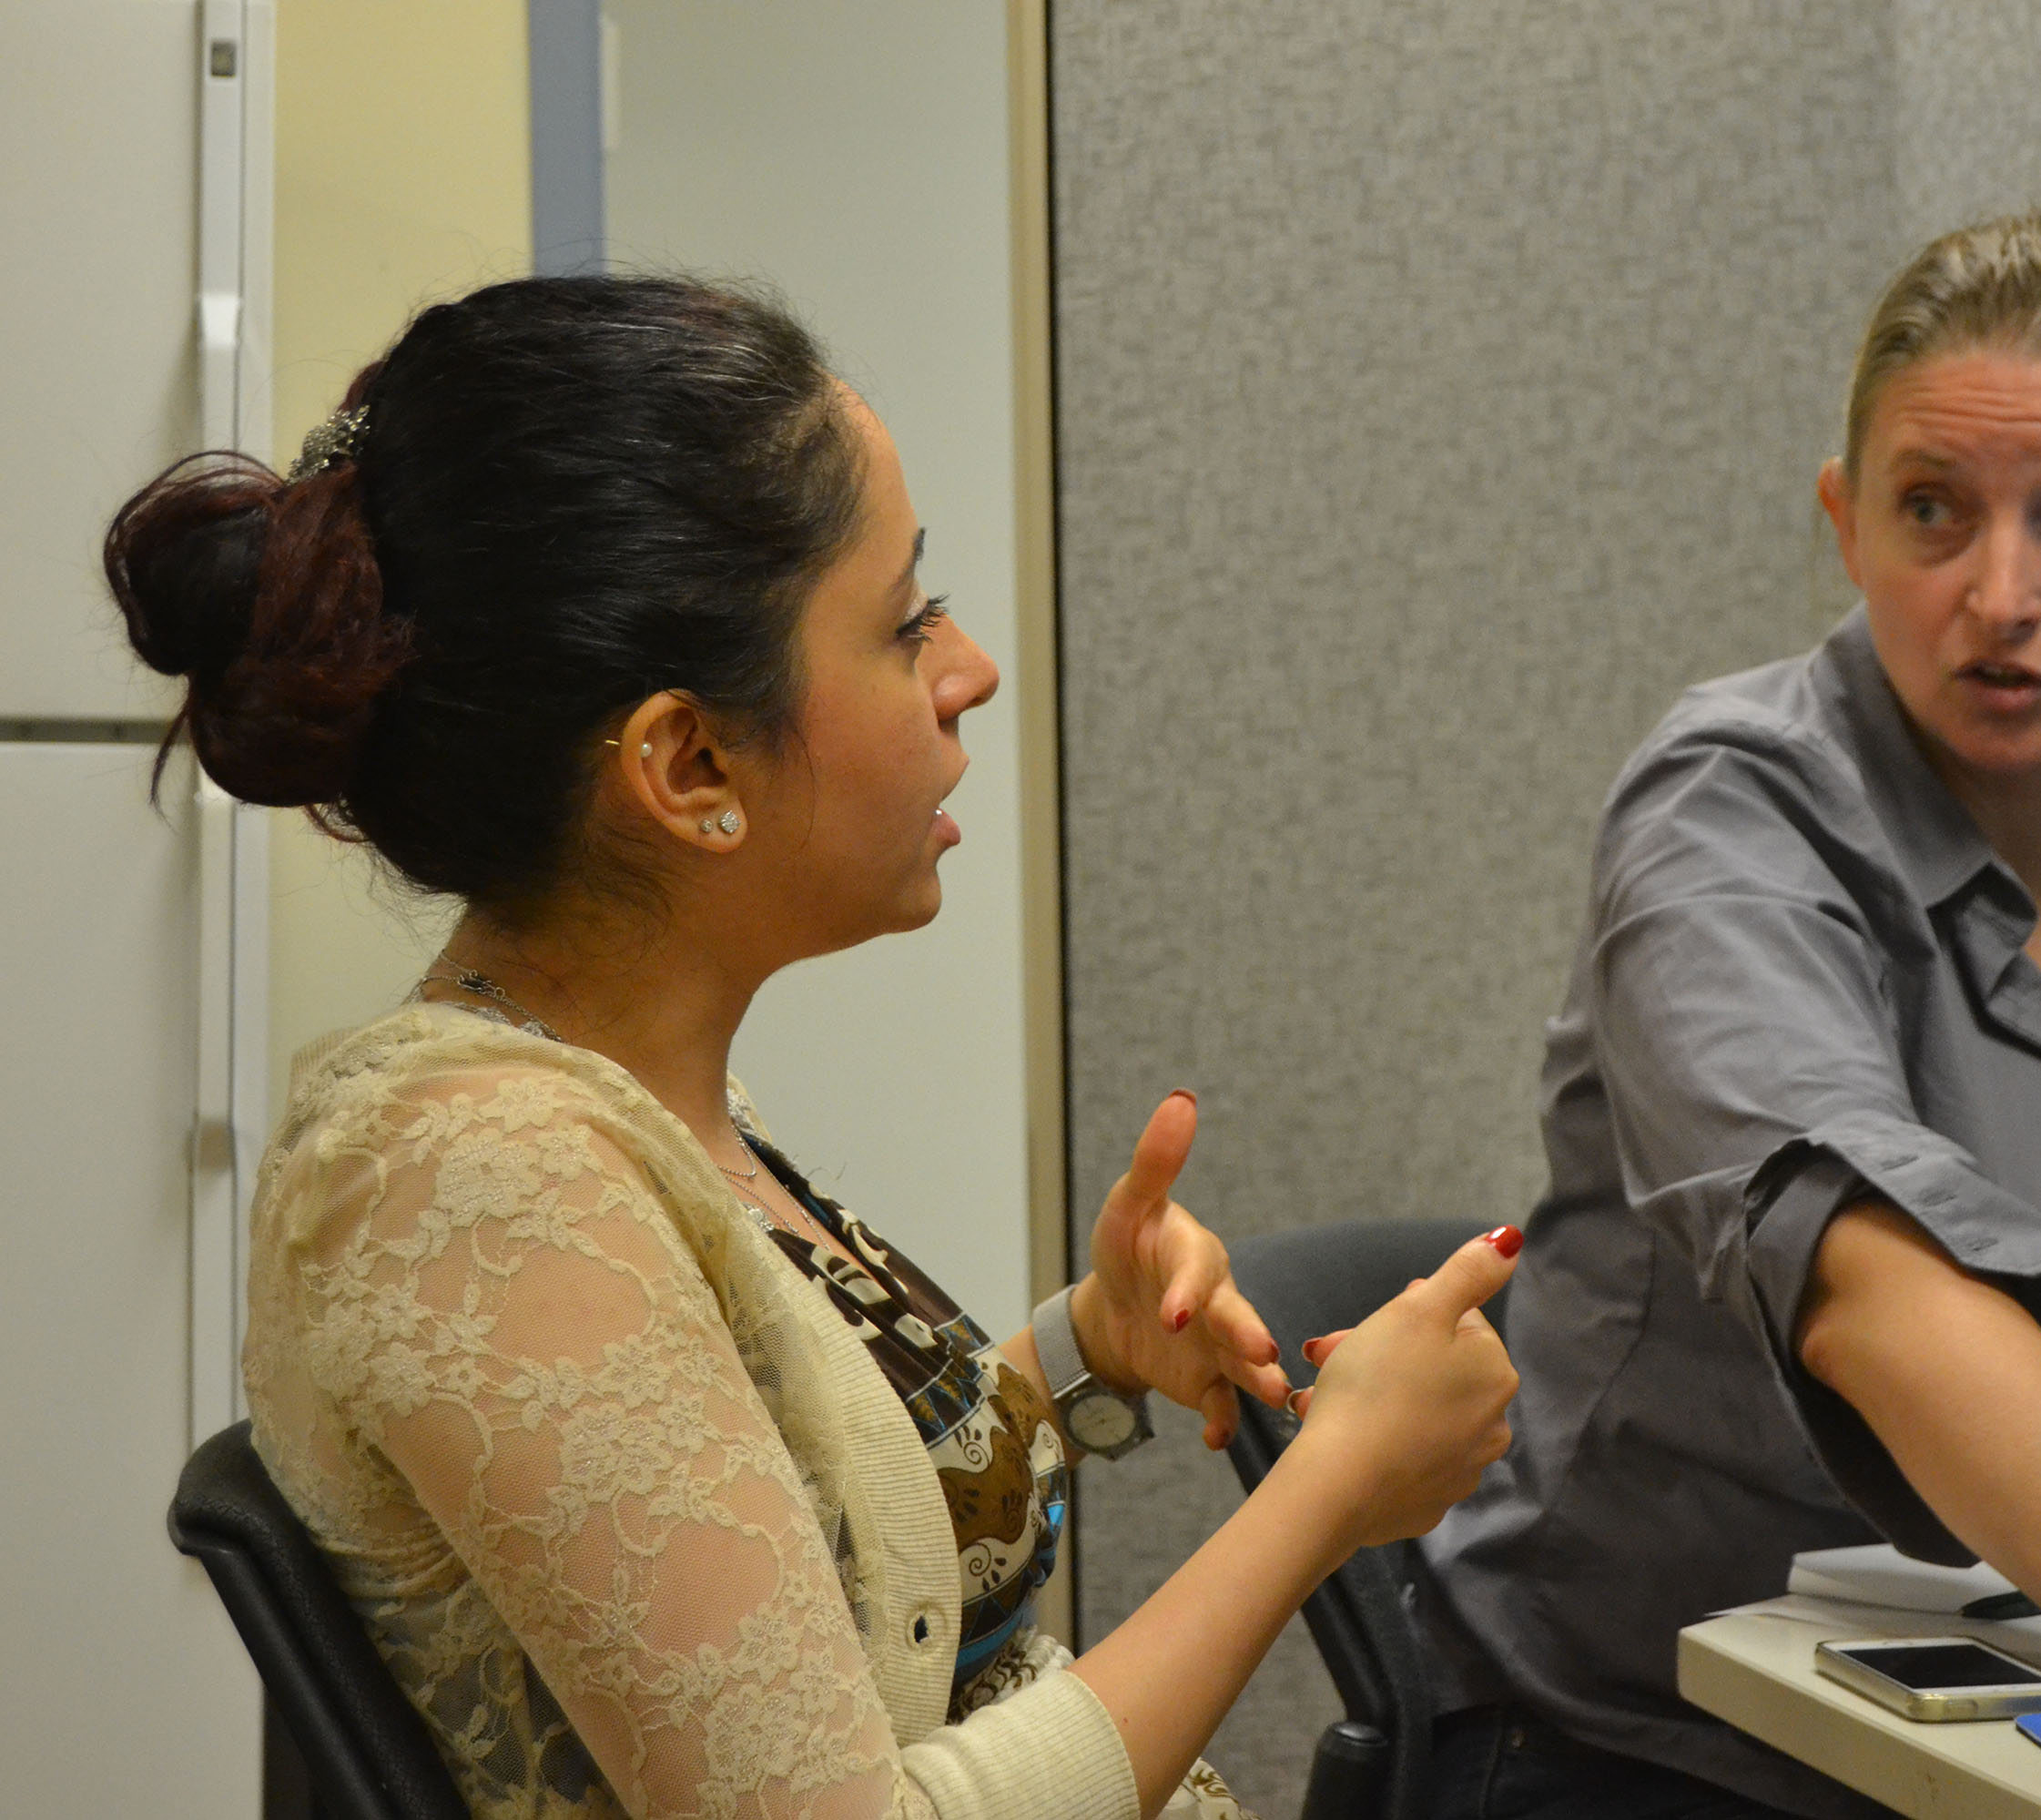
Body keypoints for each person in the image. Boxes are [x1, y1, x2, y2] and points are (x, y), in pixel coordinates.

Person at [105, 274, 1521, 1820]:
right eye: (905, 622)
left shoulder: (605, 1095)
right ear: (690, 762)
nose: (968, 666)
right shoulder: (481, 1190)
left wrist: (1080, 1359)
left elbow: (806, 1562)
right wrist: (1322, 1501)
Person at [1415, 208, 2041, 1818]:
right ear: (1846, 523)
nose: (2000, 594)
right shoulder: (1729, 818)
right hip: (1645, 1734)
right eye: (1933, 511)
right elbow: (1866, 1286)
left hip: (2017, 1678)